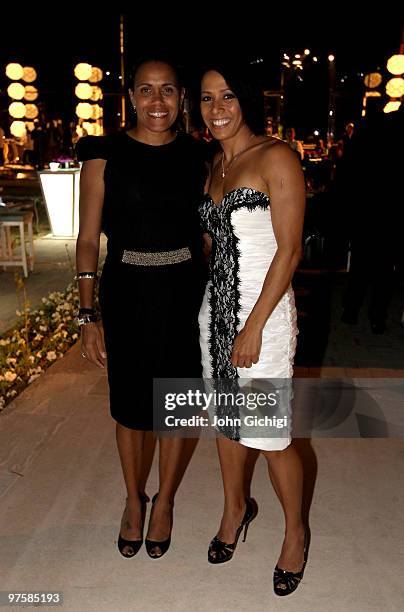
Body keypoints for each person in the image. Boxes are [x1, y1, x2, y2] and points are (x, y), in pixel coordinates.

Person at [75, 56, 207, 560]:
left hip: (184, 290)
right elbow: (88, 240)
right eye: (147, 90)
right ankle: (134, 499)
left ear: (181, 98)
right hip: (126, 288)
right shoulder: (102, 154)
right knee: (131, 406)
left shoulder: (200, 156)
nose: (158, 101)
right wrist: (88, 316)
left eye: (168, 90)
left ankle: (166, 500)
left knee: (175, 406)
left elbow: (209, 235)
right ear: (130, 97)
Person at [198, 64, 307, 596]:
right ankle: (235, 508)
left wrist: (256, 325)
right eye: (206, 98)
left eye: (227, 96)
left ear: (247, 102)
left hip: (261, 318)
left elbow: (289, 249)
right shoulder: (217, 164)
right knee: (225, 422)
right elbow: (214, 247)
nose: (216, 108)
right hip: (214, 315)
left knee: (271, 437)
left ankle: (296, 533)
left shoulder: (277, 156)